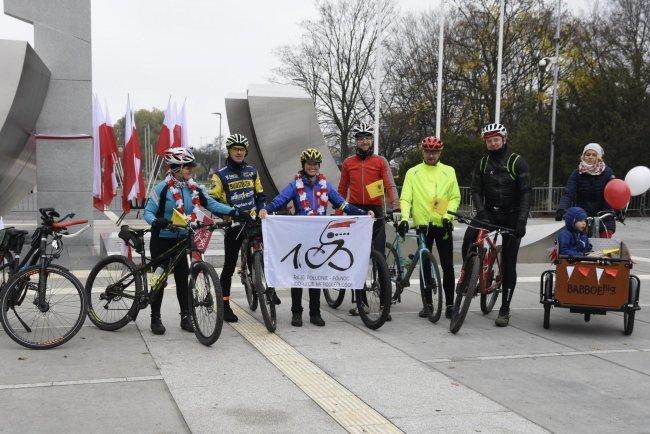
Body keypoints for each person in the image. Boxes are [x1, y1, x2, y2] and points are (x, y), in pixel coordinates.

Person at [259, 148, 373, 327]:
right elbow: (280, 200)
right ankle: (296, 313)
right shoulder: (295, 186)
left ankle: (315, 313)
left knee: (316, 275)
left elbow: (342, 204)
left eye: (315, 164)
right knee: (297, 275)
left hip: (318, 238)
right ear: (303, 166)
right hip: (299, 237)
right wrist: (267, 209)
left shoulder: (325, 186)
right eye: (309, 164)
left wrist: (362, 213)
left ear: (319, 166)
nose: (312, 167)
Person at [143, 147, 240, 335]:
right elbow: (148, 212)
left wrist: (233, 211)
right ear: (176, 167)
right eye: (187, 166)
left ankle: (186, 317)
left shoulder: (193, 187)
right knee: (158, 280)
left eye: (191, 166)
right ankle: (155, 317)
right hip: (162, 239)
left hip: (182, 240)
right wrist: (156, 221)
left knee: (182, 279)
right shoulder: (162, 188)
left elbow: (210, 204)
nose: (190, 169)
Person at [462, 123, 532, 327]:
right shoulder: (482, 163)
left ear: (504, 139)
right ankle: (470, 274)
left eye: (496, 140)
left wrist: (521, 220)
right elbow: (475, 190)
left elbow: (527, 191)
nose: (492, 144)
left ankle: (504, 308)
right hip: (490, 213)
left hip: (512, 216)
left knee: (509, 262)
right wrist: (481, 211)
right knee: (469, 236)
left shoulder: (517, 162)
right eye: (489, 141)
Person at [208, 133, 275, 323]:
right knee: (229, 266)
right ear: (229, 151)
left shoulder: (252, 171)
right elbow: (211, 201)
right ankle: (225, 304)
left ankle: (270, 288)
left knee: (267, 256)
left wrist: (262, 208)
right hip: (234, 225)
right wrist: (228, 215)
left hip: (253, 221)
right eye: (235, 149)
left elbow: (260, 195)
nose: (239, 152)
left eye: (242, 150)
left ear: (245, 152)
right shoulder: (220, 175)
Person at [337, 121, 399, 317]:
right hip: (356, 210)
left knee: (378, 256)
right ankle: (361, 302)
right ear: (356, 141)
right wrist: (338, 212)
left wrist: (396, 207)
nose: (364, 141)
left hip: (376, 210)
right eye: (360, 138)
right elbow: (341, 189)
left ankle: (383, 304)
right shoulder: (348, 162)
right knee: (358, 259)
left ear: (372, 140)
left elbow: (390, 185)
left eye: (367, 138)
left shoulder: (380, 161)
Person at [398, 136, 461, 319]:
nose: (431, 155)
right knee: (425, 265)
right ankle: (427, 305)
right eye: (428, 151)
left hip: (442, 223)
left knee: (448, 266)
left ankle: (450, 305)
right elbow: (406, 198)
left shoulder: (449, 171)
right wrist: (404, 218)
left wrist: (449, 216)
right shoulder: (413, 172)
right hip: (423, 225)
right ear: (422, 152)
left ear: (440, 152)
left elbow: (455, 197)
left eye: (434, 152)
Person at [556, 143, 617, 237]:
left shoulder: (608, 172)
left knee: (606, 242)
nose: (590, 157)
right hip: (583, 215)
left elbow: (615, 191)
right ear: (583, 157)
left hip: (604, 215)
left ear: (599, 157)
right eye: (587, 154)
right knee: (581, 242)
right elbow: (568, 193)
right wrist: (562, 209)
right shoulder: (577, 173)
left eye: (594, 155)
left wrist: (619, 210)